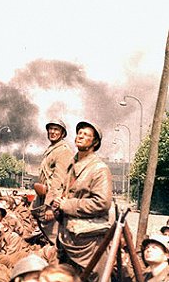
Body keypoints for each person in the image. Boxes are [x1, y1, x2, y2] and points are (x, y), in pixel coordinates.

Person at [53, 121, 112, 281]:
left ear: (95, 143)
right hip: (67, 237)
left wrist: (67, 205)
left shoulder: (99, 169)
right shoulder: (72, 165)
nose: (81, 136)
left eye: (86, 135)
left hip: (88, 241)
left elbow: (102, 203)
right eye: (79, 133)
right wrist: (58, 203)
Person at [32, 119, 73, 244]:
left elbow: (58, 180)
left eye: (56, 129)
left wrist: (50, 206)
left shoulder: (63, 150)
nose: (52, 132)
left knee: (55, 234)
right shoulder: (52, 149)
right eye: (50, 129)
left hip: (54, 199)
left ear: (62, 134)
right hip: (45, 195)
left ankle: (60, 257)